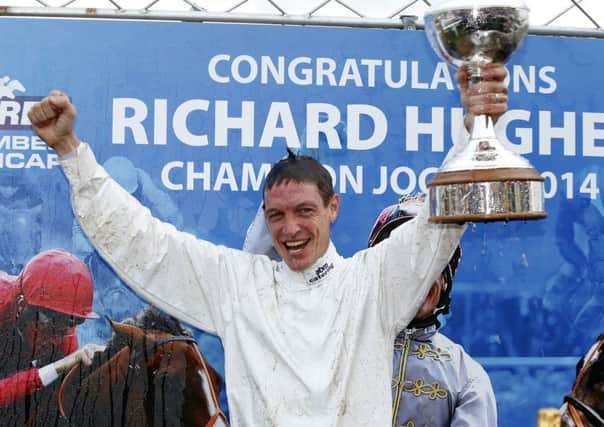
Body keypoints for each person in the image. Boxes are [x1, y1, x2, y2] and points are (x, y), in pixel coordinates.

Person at [28, 63, 507, 426]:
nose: (290, 229)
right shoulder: (238, 285)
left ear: (332, 208)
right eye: (276, 215)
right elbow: (145, 244)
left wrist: (475, 128)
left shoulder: (373, 283)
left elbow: (438, 225)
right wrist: (72, 152)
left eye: (304, 211)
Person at [367, 195, 497, 426]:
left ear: (445, 280)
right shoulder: (338, 352)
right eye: (400, 260)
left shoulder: (467, 379)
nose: (416, 274)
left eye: (430, 261)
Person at [0, 249, 105, 424]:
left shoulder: (62, 329)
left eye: (72, 323)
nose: (58, 337)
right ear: (21, 306)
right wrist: (57, 367)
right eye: (51, 324)